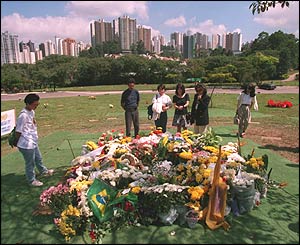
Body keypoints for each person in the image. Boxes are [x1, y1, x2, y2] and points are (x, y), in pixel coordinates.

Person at [15, 93, 54, 187]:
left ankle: (44, 171)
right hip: (26, 144)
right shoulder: (23, 116)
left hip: (32, 141)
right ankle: (31, 180)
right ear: (28, 104)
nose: (36, 106)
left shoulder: (32, 111)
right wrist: (16, 142)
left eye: (37, 104)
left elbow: (32, 122)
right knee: (30, 163)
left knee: (38, 158)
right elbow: (18, 131)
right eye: (34, 105)